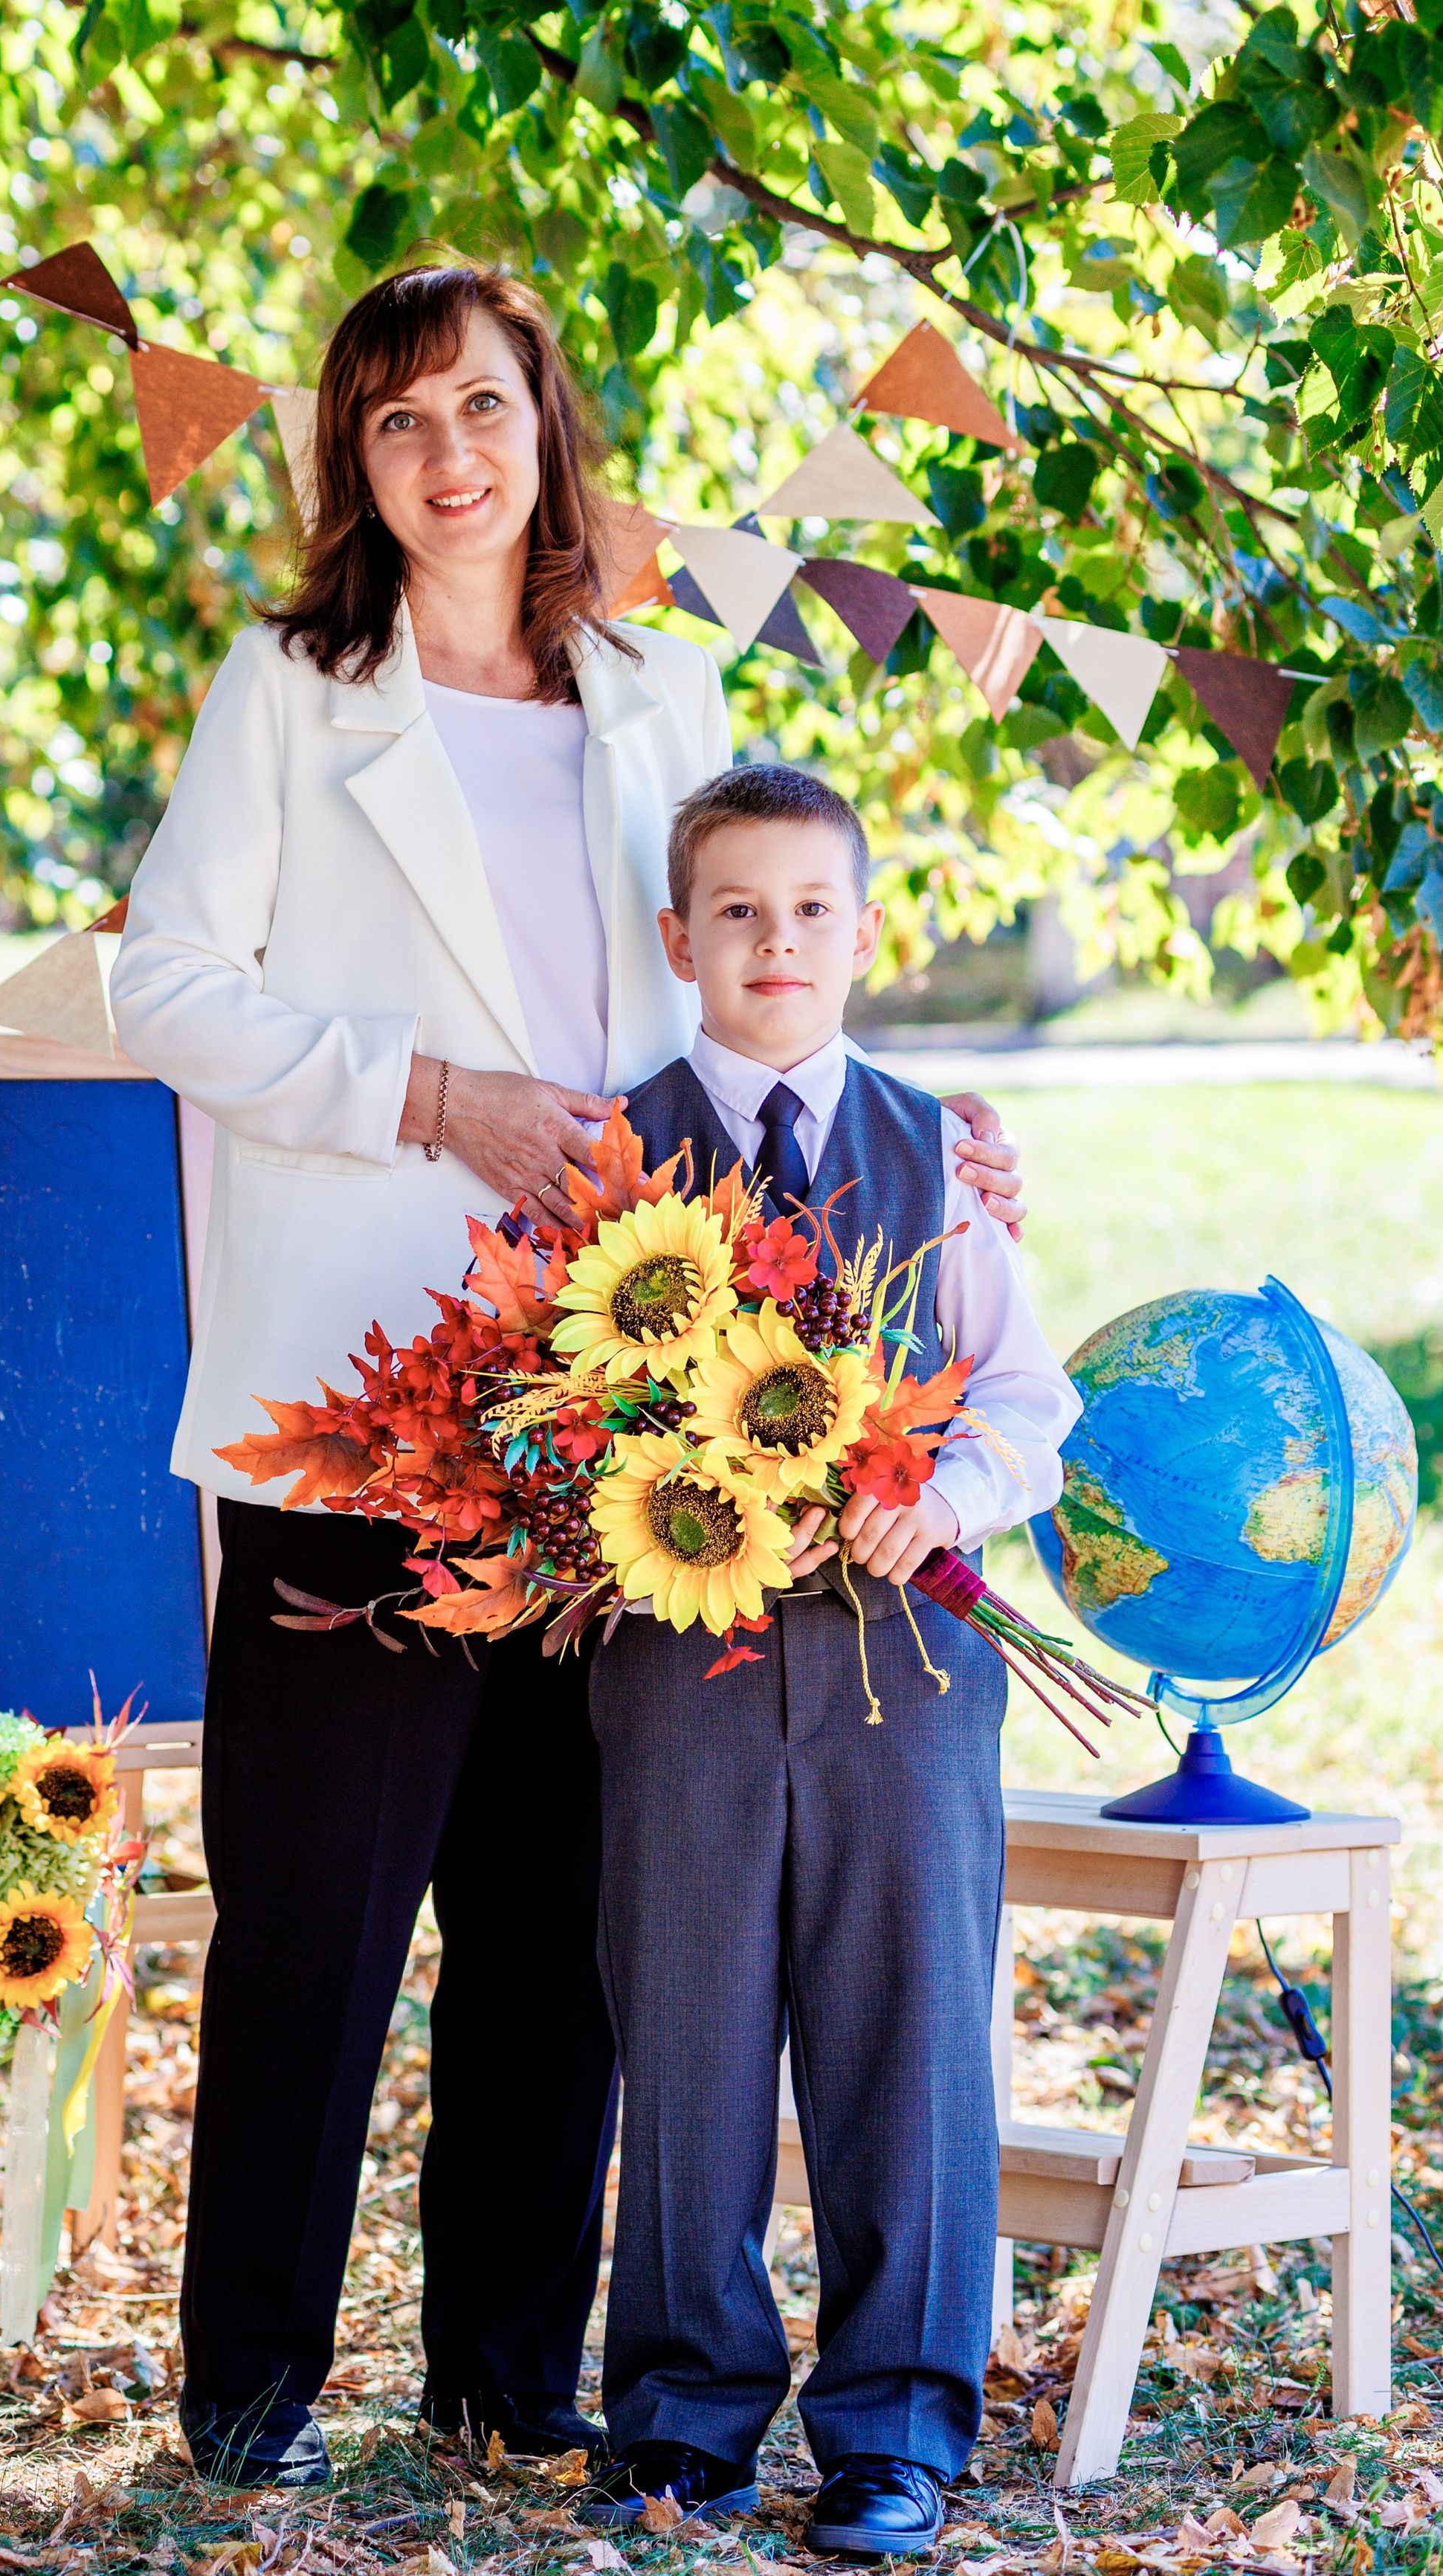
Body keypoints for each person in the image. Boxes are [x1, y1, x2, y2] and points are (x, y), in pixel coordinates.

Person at [109, 265, 1029, 2491]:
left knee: (556, 1926)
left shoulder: (653, 682)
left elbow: (750, 966)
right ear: (354, 457)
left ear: (547, 429)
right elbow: (166, 986)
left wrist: (931, 1141)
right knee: (319, 1918)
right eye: (401, 416)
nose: (452, 453)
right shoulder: (291, 687)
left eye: (486, 406)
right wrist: (432, 1098)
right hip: (353, 1400)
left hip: (616, 1410)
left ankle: (510, 2375)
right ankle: (252, 2388)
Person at [576, 762, 1079, 2556]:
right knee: (686, 2030)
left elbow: (1027, 1396)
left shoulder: (938, 1151)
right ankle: (681, 2410)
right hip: (679, 1666)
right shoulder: (605, 1154)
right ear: (677, 940)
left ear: (861, 933)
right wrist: (690, 1507)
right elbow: (545, 1412)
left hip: (906, 1667)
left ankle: (896, 2427)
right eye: (735, 911)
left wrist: (936, 1496)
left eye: (807, 911)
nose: (772, 942)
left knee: (905, 2034)